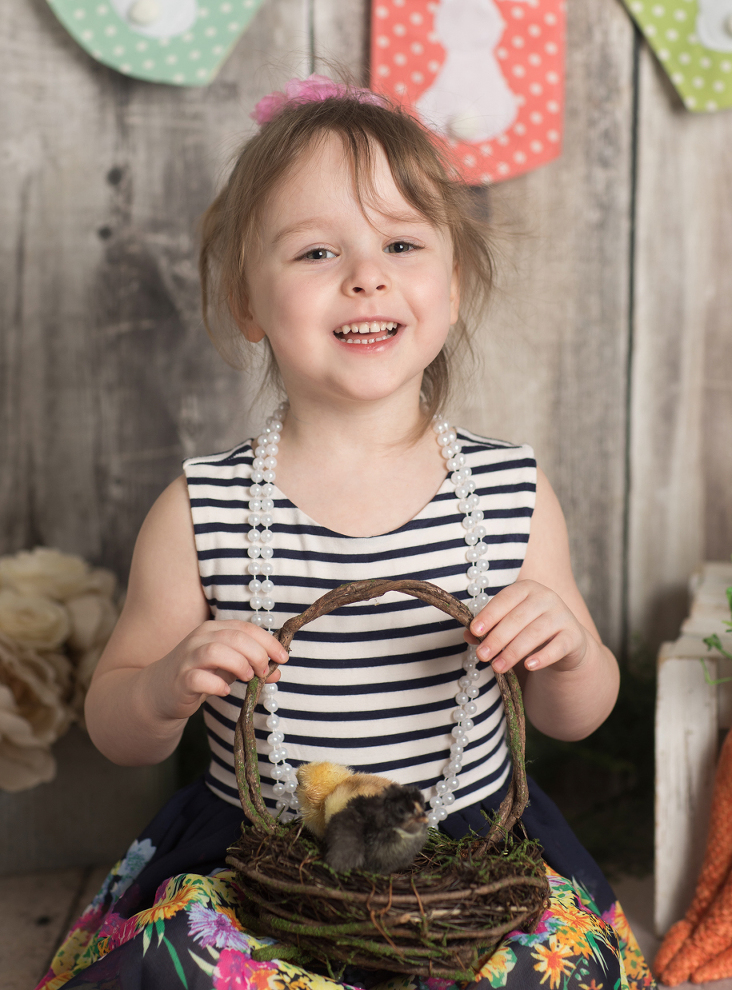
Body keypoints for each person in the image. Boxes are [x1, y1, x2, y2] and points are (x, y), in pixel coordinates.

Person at [38, 75, 655, 990]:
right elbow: (118, 728)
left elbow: (577, 712)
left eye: (402, 243)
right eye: (318, 250)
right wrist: (168, 684)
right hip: (254, 858)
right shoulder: (201, 509)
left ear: (451, 285)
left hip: (468, 852)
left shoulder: (506, 490)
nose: (367, 274)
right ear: (248, 302)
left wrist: (566, 655)